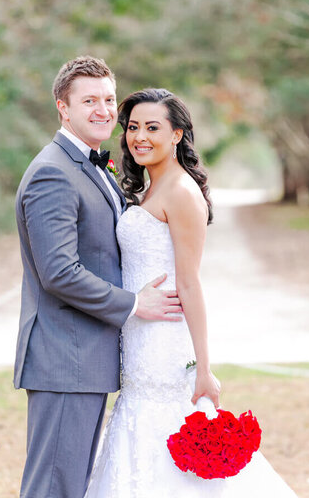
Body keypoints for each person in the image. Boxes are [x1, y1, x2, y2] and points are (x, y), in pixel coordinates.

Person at [85, 88, 298, 497]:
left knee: (163, 421)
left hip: (165, 336)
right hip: (139, 330)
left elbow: (190, 283)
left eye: (152, 127)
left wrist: (204, 367)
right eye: (132, 127)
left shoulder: (182, 193)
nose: (139, 137)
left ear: (178, 134)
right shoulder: (151, 187)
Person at [14, 59, 183, 498]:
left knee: (71, 486)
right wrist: (133, 304)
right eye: (89, 100)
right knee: (54, 487)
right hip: (65, 359)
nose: (104, 110)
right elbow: (59, 272)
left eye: (109, 99)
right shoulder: (53, 172)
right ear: (62, 109)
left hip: (86, 358)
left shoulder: (93, 168)